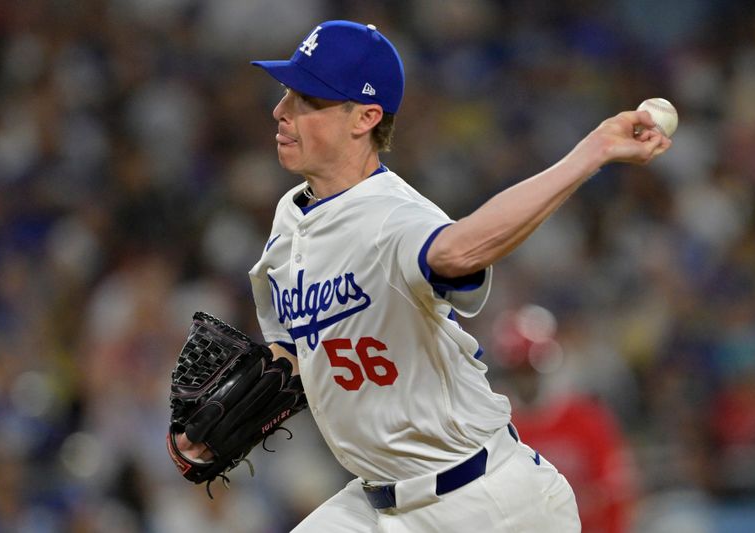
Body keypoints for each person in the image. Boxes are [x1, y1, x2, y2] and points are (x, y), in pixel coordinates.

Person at [177, 19, 671, 532]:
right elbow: (298, 353)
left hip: (485, 503)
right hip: (375, 501)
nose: (281, 112)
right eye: (286, 93)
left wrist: (591, 152)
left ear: (364, 117)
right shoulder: (289, 221)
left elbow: (460, 251)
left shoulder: (393, 217)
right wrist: (225, 414)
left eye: (307, 99)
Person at [492, 305, 639, 533]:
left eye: (530, 370)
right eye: (518, 370)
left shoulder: (587, 418)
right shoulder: (497, 426)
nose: (525, 380)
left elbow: (616, 489)